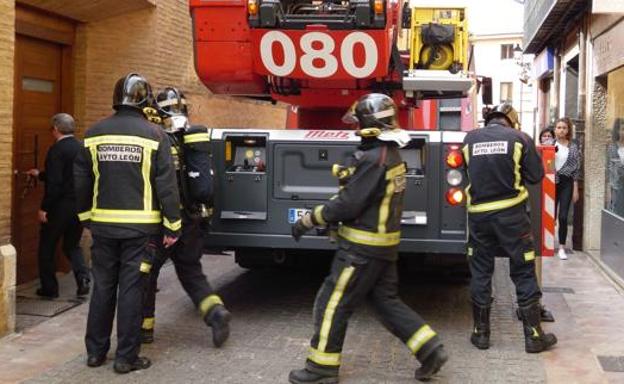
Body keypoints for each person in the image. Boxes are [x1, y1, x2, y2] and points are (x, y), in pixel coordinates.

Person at [289, 93, 448, 384]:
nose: (354, 129)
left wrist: (308, 220)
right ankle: (430, 349)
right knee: (386, 303)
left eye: (358, 123)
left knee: (332, 303)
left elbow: (348, 204)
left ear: (368, 124)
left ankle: (320, 368)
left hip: (360, 250)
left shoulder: (375, 159)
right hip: (382, 247)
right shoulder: (390, 155)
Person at [74, 73, 182, 374]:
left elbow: (81, 181)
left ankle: (95, 354)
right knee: (132, 290)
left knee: (103, 288)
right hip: (141, 230)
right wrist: (173, 224)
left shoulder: (94, 135)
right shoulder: (155, 136)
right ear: (145, 99)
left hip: (103, 228)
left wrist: (85, 217)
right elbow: (167, 185)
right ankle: (126, 358)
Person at [462, 102, 557, 354]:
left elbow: (464, 173)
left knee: (481, 272)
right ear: (511, 121)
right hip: (512, 218)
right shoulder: (520, 139)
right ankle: (534, 337)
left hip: (479, 219)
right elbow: (536, 176)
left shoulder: (469, 140)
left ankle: (480, 334)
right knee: (523, 271)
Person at [141, 87, 231, 347]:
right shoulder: (192, 141)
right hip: (192, 220)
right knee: (191, 271)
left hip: (164, 224)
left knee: (147, 274)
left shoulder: (158, 140)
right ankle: (215, 313)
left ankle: (144, 329)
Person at [26, 113, 90, 298]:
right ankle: (83, 277)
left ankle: (50, 289)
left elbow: (55, 183)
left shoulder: (56, 150)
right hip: (78, 206)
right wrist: (40, 174)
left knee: (47, 246)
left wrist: (44, 208)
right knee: (72, 245)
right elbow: (71, 175)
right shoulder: (81, 147)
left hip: (59, 207)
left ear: (55, 129)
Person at [553, 117, 581, 260]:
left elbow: (576, 169)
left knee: (563, 216)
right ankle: (546, 244)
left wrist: (575, 188)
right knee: (550, 216)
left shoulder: (573, 147)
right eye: (559, 127)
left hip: (567, 183)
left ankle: (562, 247)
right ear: (555, 129)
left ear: (568, 130)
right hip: (551, 182)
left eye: (564, 127)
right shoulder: (549, 145)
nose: (561, 130)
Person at [607, 118, 624, 217]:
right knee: (617, 215)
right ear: (617, 131)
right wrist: (608, 191)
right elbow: (608, 169)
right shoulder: (612, 147)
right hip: (616, 187)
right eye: (622, 129)